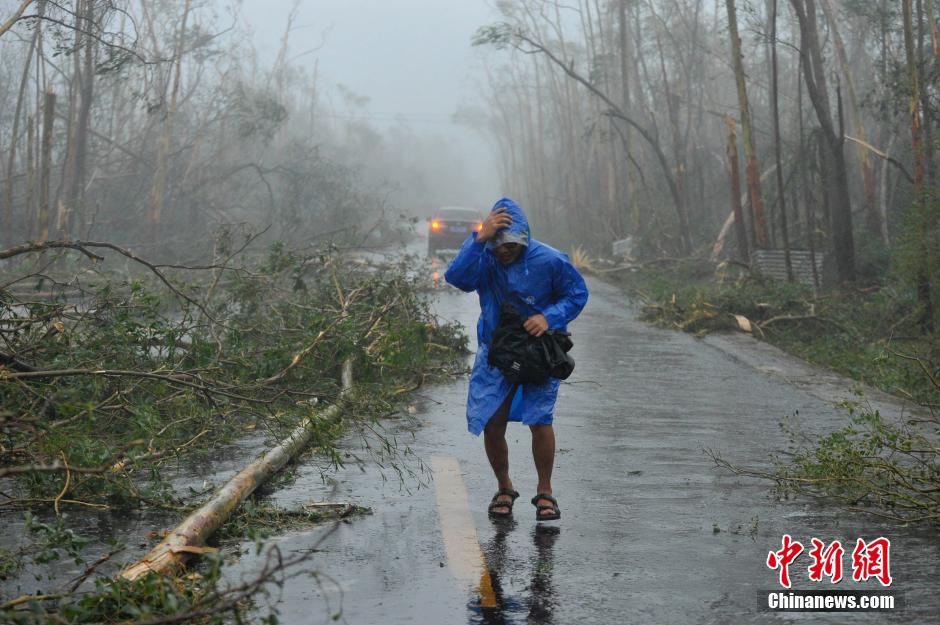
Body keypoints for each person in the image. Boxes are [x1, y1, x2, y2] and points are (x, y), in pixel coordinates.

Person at [444, 198, 588, 521]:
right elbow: (457, 277)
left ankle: (545, 492)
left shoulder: (550, 260)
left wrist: (548, 317)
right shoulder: (486, 260)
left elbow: (577, 294)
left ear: (525, 237)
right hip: (497, 350)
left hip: (541, 350)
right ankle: (504, 487)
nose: (505, 250)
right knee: (492, 423)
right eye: (499, 244)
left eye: (511, 244)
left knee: (540, 420)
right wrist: (480, 238)